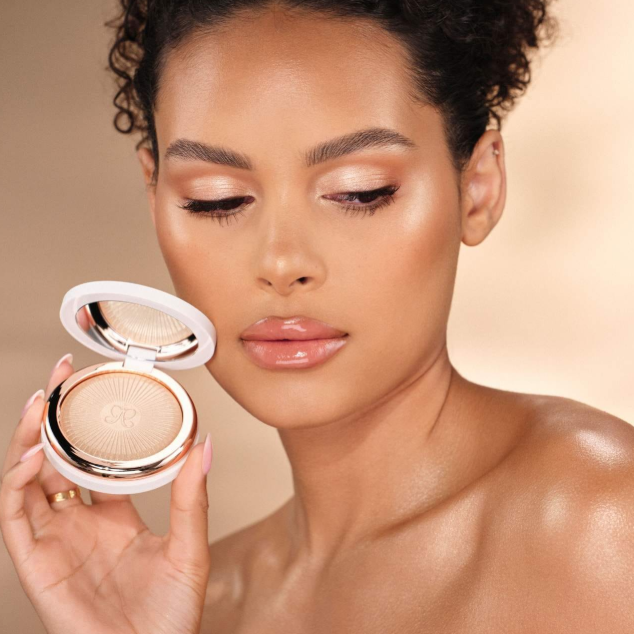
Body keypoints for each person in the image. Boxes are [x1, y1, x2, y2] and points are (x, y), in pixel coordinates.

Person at [2, 1, 633, 632]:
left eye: (360, 191)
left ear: (478, 188)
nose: (281, 263)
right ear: (155, 194)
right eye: (215, 200)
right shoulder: (192, 604)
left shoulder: (600, 525)